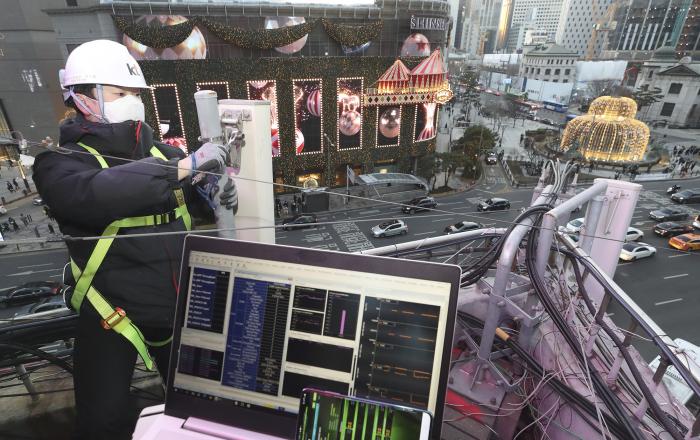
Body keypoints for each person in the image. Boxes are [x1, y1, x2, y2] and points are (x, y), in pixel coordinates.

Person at [32, 40, 237, 440]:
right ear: (83, 97)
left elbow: (188, 197)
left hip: (175, 306)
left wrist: (211, 193)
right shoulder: (59, 164)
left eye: (136, 94)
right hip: (110, 311)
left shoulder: (161, 152)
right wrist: (186, 167)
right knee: (102, 422)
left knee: (200, 407)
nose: (132, 101)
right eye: (120, 92)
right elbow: (95, 194)